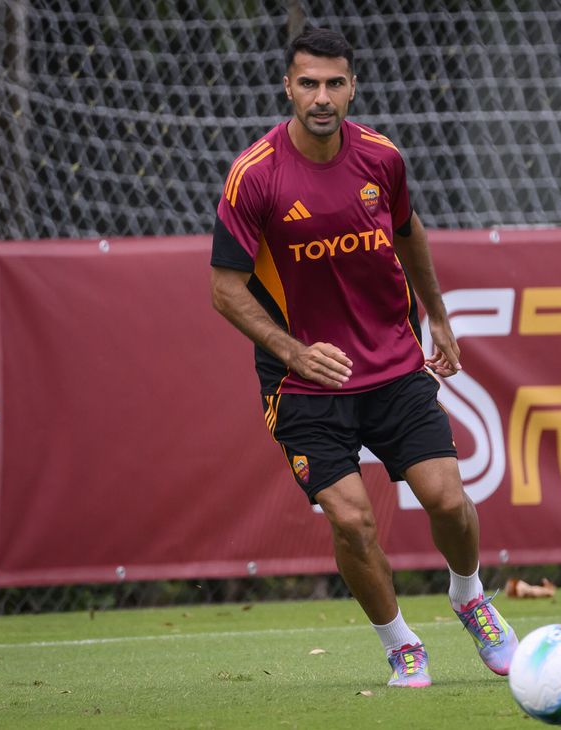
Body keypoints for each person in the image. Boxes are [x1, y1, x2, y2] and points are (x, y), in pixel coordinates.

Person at [209, 27, 517, 688]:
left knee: (450, 503)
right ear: (288, 86)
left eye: (335, 83)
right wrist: (293, 351)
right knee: (351, 520)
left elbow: (409, 235)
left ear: (353, 86)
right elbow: (224, 289)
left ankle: (469, 596)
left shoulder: (382, 158)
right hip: (304, 383)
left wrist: (437, 315)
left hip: (393, 362)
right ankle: (401, 644)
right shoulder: (254, 176)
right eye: (309, 83)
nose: (322, 97)